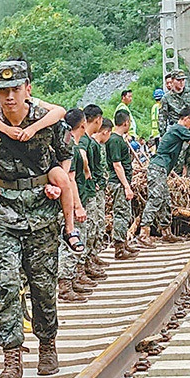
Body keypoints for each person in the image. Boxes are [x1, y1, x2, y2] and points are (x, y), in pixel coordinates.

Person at [0, 60, 74, 378]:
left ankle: (47, 345)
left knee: (43, 284)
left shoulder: (49, 123)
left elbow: (64, 160)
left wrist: (61, 190)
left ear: (28, 88)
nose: (9, 96)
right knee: (6, 283)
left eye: (15, 89)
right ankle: (11, 360)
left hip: (42, 212)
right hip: (3, 212)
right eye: (3, 90)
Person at [0, 93, 82, 255]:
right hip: (4, 161)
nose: (11, 95)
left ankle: (70, 230)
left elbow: (60, 112)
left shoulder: (35, 105)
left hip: (41, 160)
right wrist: (7, 130)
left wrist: (33, 128)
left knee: (63, 180)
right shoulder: (3, 105)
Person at [138, 108, 190, 246]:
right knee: (156, 198)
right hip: (158, 168)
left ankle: (166, 232)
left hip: (162, 169)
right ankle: (143, 232)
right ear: (186, 118)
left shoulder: (177, 130)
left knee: (165, 199)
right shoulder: (179, 128)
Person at [58, 108, 96, 303]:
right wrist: (78, 207)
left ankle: (73, 279)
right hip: (69, 202)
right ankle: (65, 285)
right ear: (82, 125)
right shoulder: (69, 146)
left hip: (66, 200)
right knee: (70, 242)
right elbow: (70, 180)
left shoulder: (67, 143)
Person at [78, 105, 109, 280]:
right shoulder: (84, 140)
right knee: (87, 228)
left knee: (94, 226)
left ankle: (90, 259)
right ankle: (82, 267)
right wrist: (87, 171)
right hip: (86, 191)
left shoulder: (90, 140)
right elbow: (82, 154)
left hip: (90, 189)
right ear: (97, 120)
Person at [159, 69, 190, 176]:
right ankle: (178, 183)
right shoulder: (167, 98)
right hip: (177, 133)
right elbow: (162, 118)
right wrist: (163, 135)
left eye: (183, 80)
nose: (181, 83)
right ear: (173, 81)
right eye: (178, 80)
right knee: (177, 162)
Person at [106, 109, 140, 260]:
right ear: (126, 123)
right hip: (119, 183)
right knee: (121, 214)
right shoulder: (114, 140)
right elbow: (117, 165)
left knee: (125, 213)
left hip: (122, 182)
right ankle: (119, 248)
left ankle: (124, 243)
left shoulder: (119, 139)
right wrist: (126, 186)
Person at [90, 118, 113, 257]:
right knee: (95, 222)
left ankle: (95, 254)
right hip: (95, 189)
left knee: (99, 222)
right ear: (105, 132)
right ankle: (91, 256)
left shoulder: (97, 145)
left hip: (99, 187)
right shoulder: (92, 145)